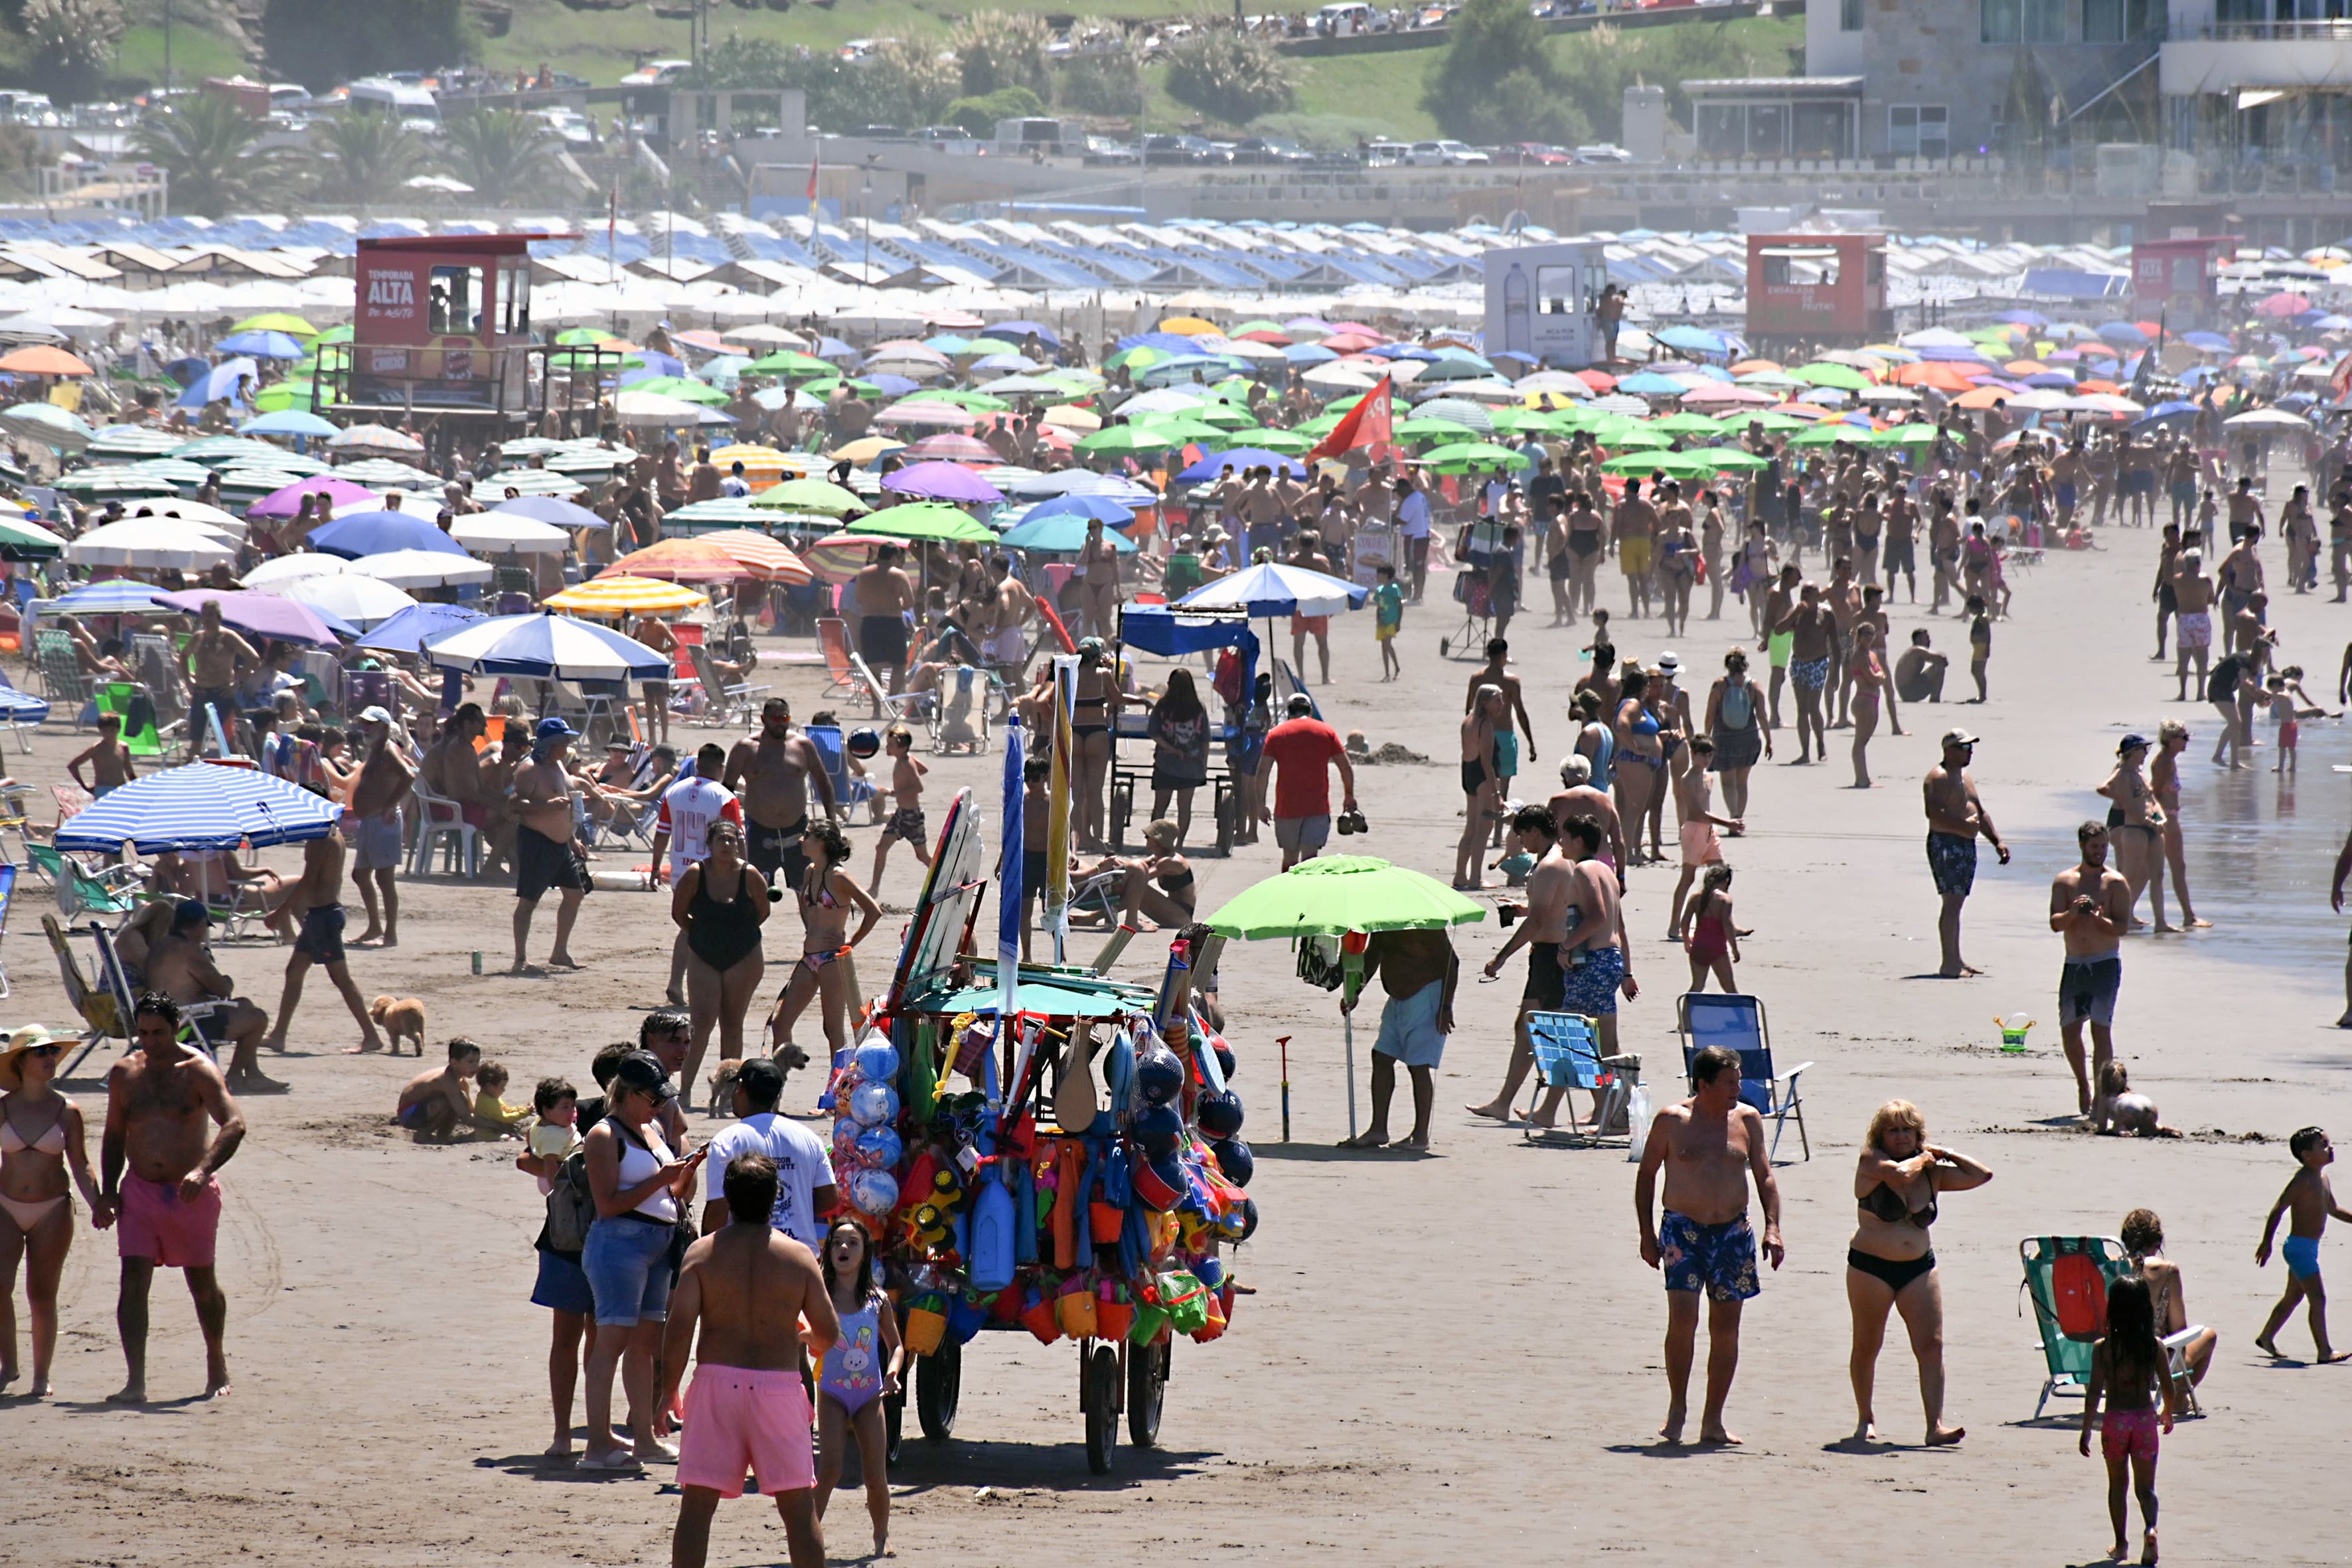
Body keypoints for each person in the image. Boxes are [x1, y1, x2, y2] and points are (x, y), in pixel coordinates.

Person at [661, 1152, 836, 1568]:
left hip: (716, 1386)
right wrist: (806, 1337)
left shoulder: (702, 1255)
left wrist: (668, 1389)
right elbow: (829, 1332)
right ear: (776, 1196)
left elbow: (679, 1329)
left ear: (728, 1197)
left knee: (697, 1509)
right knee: (798, 1511)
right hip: (777, 1387)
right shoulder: (798, 1257)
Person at [1634, 1042, 1784, 1445]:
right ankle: (1678, 1406)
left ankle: (1713, 1419)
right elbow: (1647, 1175)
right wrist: (1647, 1235)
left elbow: (1765, 1175)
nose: (1737, 1089)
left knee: (1726, 1327)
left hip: (1733, 1233)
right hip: (1683, 1232)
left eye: (1739, 1081)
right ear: (1703, 1084)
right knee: (1683, 1320)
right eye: (1729, 1082)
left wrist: (1773, 1227)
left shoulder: (1748, 1120)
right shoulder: (1671, 1121)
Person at [100, 993, 244, 1402]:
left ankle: (216, 1364)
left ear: (175, 1026)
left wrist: (203, 1171)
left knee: (202, 1285)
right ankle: (136, 1381)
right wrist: (108, 1192)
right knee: (132, 1284)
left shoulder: (198, 1070)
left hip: (189, 1193)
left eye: (158, 1033)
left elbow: (234, 1124)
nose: (149, 1041)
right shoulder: (125, 1073)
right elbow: (113, 1136)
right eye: (142, 1032)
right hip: (140, 1190)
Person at [580, 1050, 703, 1470]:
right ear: (629, 1093)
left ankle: (644, 1441)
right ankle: (597, 1444)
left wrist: (684, 1174)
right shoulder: (602, 1135)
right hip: (620, 1243)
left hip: (659, 1242)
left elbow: (668, 1192)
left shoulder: (651, 1128)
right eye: (653, 1098)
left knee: (645, 1344)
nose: (659, 1106)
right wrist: (663, 1179)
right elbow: (607, 1204)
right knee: (610, 1341)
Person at [1844, 1100, 1992, 1447]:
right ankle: (1865, 1419)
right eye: (1892, 1130)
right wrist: (1925, 1157)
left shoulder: (1931, 1172)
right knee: (1868, 1345)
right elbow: (1899, 1175)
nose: (1900, 1137)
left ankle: (1935, 1425)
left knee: (1931, 1345)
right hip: (1870, 1268)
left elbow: (1981, 1176)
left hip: (1918, 1268)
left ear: (1918, 1134)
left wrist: (1946, 1153)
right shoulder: (1872, 1162)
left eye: (1907, 1130)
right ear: (1881, 1135)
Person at [0, 1026, 102, 1396]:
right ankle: (8, 1366)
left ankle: (41, 1377)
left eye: (53, 1051)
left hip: (53, 1208)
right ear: (21, 1062)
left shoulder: (66, 1110)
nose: (49, 1059)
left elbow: (81, 1165)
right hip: (5, 1206)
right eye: (41, 1053)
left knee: (41, 1293)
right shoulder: (3, 1107)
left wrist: (97, 1203)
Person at [1469, 806, 1579, 1129]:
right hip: (1552, 954)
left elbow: (1539, 920)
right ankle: (1507, 1103)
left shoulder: (1548, 866)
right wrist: (1518, 909)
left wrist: (1501, 956)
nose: (1519, 841)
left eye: (1522, 834)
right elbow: (1547, 908)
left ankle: (1532, 1107)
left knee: (1548, 1032)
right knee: (1531, 1029)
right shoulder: (1557, 860)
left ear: (1534, 831)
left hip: (1551, 957)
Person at [813, 1218, 903, 1558]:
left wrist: (893, 1373)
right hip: (832, 1393)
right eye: (837, 1243)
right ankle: (809, 1535)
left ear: (865, 1254)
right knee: (830, 1469)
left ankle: (881, 1537)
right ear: (829, 1251)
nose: (844, 1249)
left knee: (875, 1475)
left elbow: (896, 1346)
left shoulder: (877, 1301)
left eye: (852, 1243)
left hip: (870, 1396)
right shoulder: (818, 1295)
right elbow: (797, 1328)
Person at [262, 820, 388, 1058]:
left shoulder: (321, 837)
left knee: (341, 979)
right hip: (319, 916)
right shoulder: (332, 832)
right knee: (294, 972)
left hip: (325, 917)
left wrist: (281, 912)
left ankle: (372, 1036)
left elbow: (308, 880)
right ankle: (278, 1035)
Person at [673, 819, 771, 1113]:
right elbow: (679, 914)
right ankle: (685, 1090)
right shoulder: (695, 874)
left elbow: (762, 912)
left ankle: (729, 1095)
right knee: (701, 1023)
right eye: (721, 840)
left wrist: (734, 936)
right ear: (710, 844)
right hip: (704, 952)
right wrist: (706, 936)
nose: (727, 845)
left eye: (732, 839)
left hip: (744, 954)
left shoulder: (750, 875)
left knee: (732, 1022)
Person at [769, 820, 882, 1060]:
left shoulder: (838, 876)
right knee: (780, 1024)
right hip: (809, 958)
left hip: (833, 959)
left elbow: (873, 911)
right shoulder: (811, 871)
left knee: (832, 1031)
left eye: (807, 835)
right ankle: (778, 1081)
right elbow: (805, 904)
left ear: (820, 842)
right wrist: (811, 928)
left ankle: (838, 1088)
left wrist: (851, 942)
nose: (802, 839)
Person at [1338, 927, 1457, 1152]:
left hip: (1428, 995)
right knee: (1381, 1057)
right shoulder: (1386, 921)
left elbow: (1453, 963)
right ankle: (1378, 1129)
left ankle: (1421, 1136)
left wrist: (1446, 1005)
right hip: (1396, 998)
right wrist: (1354, 992)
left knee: (1418, 1066)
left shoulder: (1427, 924)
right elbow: (1373, 955)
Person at [2080, 1274, 2173, 1565]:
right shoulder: (2154, 1345)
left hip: (2115, 1421)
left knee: (2117, 1486)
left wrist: (2085, 1430)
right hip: (2144, 1420)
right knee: (2146, 1489)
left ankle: (2121, 1545)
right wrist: (2168, 1411)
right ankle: (2151, 1528)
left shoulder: (2103, 1348)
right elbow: (2168, 1385)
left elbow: (2094, 1391)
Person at [699, 1056, 836, 1249]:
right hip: (799, 1255)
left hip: (745, 1256)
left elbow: (717, 1215)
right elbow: (829, 1199)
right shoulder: (809, 1138)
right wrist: (797, 1204)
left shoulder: (728, 1140)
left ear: (740, 1089)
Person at [143, 900, 276, 1091]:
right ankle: (235, 1076)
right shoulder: (188, 950)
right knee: (258, 1018)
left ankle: (253, 1074)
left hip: (163, 1021)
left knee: (245, 1004)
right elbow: (222, 990)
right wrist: (226, 978)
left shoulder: (161, 945)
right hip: (186, 1028)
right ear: (199, 925)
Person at [2051, 821, 2132, 1121]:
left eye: (2103, 846)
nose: (2099, 852)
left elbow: (2123, 928)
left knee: (2101, 1029)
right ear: (2083, 845)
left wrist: (2101, 920)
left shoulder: (2116, 883)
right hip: (2074, 963)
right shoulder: (2064, 881)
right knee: (2070, 1030)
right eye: (2094, 846)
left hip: (2105, 964)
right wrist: (2073, 912)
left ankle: (2101, 1094)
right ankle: (2083, 1085)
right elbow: (2055, 923)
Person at [2254, 1125, 2352, 1362]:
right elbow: (2278, 1209)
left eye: (2329, 1143)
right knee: (2318, 1299)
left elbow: (2333, 1209)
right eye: (2324, 1146)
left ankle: (2266, 1337)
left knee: (2293, 1298)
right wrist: (2266, 1243)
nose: (2331, 1148)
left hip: (2308, 1249)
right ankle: (2324, 1351)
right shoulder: (2303, 1180)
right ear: (2307, 1156)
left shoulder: (2323, 1178)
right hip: (2299, 1249)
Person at [724, 699, 838, 897]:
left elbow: (824, 783)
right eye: (776, 718)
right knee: (755, 892)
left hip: (797, 830)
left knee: (808, 891)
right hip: (759, 831)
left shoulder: (803, 745)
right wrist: (727, 828)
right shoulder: (745, 748)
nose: (781, 722)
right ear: (764, 719)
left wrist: (832, 824)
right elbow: (725, 792)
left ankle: (813, 929)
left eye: (785, 718)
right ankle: (753, 928)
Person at [1922, 730, 2010, 979]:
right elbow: (1934, 813)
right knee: (1951, 902)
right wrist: (1964, 827)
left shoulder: (1965, 776)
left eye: (1970, 747)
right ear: (1949, 750)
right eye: (1964, 748)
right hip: (1946, 844)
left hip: (1965, 844)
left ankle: (1956, 959)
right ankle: (1948, 964)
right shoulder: (1937, 778)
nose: (1969, 751)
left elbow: (1979, 812)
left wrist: (1997, 841)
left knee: (1957, 902)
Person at [511, 717, 589, 973]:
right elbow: (515, 804)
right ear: (550, 743)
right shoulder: (529, 769)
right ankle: (520, 958)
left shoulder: (559, 767)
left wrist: (572, 839)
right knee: (528, 902)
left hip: (561, 845)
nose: (567, 746)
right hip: (537, 842)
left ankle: (559, 952)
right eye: (563, 741)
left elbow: (564, 805)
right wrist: (546, 806)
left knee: (575, 894)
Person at [2119, 1208, 2217, 1389]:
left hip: (2111, 1361)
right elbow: (2179, 1330)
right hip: (2152, 1365)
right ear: (2157, 1243)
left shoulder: (2108, 1266)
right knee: (2208, 1336)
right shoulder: (2167, 1271)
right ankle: (2179, 1401)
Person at [1260, 692, 1355, 872]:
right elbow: (1345, 767)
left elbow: (1263, 771)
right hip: (1317, 808)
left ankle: (1289, 896)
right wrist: (1349, 796)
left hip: (1287, 808)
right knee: (1311, 860)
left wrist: (1261, 804)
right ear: (1310, 710)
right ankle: (1308, 898)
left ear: (1288, 712)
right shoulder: (1326, 732)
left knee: (1289, 859)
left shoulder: (1277, 734)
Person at [345, 706, 413, 947]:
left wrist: (390, 805)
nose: (366, 727)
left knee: (385, 879)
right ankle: (375, 927)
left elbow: (409, 776)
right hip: (370, 822)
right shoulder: (374, 750)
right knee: (360, 875)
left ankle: (390, 934)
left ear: (384, 727)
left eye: (371, 724)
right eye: (364, 723)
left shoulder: (388, 749)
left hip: (383, 823)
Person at [1666, 737, 1740, 937]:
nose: (1706, 759)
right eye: (1702, 754)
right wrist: (1728, 823)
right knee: (1687, 879)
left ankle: (1727, 924)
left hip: (1709, 832)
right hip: (1694, 831)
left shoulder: (1709, 778)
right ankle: (1675, 926)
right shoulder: (1687, 779)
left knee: (1721, 875)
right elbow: (1697, 812)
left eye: (1710, 754)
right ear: (1693, 754)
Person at [2097, 736, 2164, 928]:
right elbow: (2103, 787)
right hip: (2120, 820)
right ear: (2132, 752)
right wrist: (2125, 800)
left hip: (2138, 820)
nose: (2146, 754)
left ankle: (2127, 911)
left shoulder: (2138, 772)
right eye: (2143, 750)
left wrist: (2158, 819)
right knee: (2127, 870)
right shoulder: (2122, 770)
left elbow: (2149, 802)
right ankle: (2115, 912)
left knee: (2142, 872)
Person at [2147, 720, 2207, 933]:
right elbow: (2153, 794)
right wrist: (2158, 821)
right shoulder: (2163, 762)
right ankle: (2188, 916)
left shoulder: (2170, 761)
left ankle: (2188, 915)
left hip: (2172, 817)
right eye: (2184, 738)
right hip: (2167, 820)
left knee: (2172, 868)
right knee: (2171, 868)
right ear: (2171, 740)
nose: (2186, 742)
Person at [180, 597, 258, 754]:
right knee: (196, 739)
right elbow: (183, 655)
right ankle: (194, 770)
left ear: (219, 617)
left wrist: (238, 682)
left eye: (211, 615)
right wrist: (188, 681)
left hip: (222, 692)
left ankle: (234, 769)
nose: (207, 619)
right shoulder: (198, 638)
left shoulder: (228, 637)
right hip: (201, 692)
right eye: (204, 615)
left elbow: (254, 659)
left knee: (228, 739)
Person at [1144, 669, 1211, 846]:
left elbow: (1154, 732)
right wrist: (1204, 762)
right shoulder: (1198, 707)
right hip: (1191, 765)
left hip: (1166, 764)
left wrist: (1170, 749)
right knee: (1184, 807)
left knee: (1160, 807)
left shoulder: (1163, 706)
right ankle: (1179, 844)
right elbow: (1205, 739)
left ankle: (1154, 842)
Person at [1703, 647, 1770, 822]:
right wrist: (1769, 740)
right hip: (1748, 738)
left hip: (1724, 739)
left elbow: (1710, 714)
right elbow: (1762, 715)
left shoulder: (1720, 685)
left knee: (1728, 782)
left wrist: (1706, 737)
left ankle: (1733, 815)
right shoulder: (1753, 686)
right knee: (1742, 782)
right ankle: (1739, 817)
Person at [868, 725, 933, 888]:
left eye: (891, 745)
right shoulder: (906, 758)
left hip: (912, 817)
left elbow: (919, 788)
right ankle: (874, 888)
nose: (887, 748)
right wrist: (906, 782)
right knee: (881, 848)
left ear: (902, 748)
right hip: (900, 814)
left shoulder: (906, 764)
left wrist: (895, 792)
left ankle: (945, 880)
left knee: (922, 856)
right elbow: (924, 769)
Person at [849, 543, 916, 701]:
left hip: (870, 621)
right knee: (899, 665)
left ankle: (877, 707)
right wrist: (896, 603)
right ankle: (892, 701)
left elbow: (859, 599)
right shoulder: (899, 575)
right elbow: (910, 602)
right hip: (893, 622)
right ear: (894, 557)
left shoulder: (864, 574)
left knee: (873, 668)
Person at [1544, 753, 1627, 874]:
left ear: (1564, 777)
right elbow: (1618, 842)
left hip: (1568, 861)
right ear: (1588, 775)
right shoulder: (1605, 800)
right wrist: (1621, 875)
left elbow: (1547, 838)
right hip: (1602, 862)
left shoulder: (1558, 801)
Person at [1457, 686, 1503, 888]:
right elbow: (1487, 762)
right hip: (1483, 777)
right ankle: (1475, 878)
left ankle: (1460, 876)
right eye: (1497, 700)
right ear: (1485, 702)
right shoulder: (1485, 725)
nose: (1501, 705)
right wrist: (1497, 793)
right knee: (1483, 829)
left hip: (1468, 772)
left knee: (1471, 828)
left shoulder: (1468, 720)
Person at [394, 1037, 482, 1140]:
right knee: (455, 1101)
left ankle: (443, 1136)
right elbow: (465, 1117)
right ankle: (425, 1133)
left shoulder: (462, 1081)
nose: (476, 1066)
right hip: (408, 1114)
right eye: (470, 1062)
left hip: (421, 1108)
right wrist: (496, 1126)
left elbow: (470, 1110)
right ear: (454, 1063)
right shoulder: (446, 1080)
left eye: (477, 1061)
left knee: (459, 1101)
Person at [1679, 863, 1739, 993]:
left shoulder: (1695, 898)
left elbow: (1684, 922)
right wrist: (1734, 949)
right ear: (1725, 881)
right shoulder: (1724, 899)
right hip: (1717, 948)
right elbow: (1727, 926)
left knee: (1697, 987)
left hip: (1698, 947)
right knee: (1730, 988)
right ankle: (1741, 1014)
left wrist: (1686, 941)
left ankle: (1687, 1013)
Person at [68, 712, 137, 797]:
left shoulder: (124, 747)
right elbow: (73, 765)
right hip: (103, 789)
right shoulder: (97, 749)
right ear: (100, 731)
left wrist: (138, 787)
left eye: (112, 730)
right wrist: (84, 787)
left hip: (121, 788)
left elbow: (129, 771)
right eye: (105, 731)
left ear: (118, 729)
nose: (109, 734)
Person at [1372, 562, 1403, 680]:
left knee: (1387, 644)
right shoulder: (1379, 590)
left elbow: (1400, 605)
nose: (1377, 577)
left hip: (1391, 621)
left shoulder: (1394, 589)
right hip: (1382, 622)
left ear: (1386, 575)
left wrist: (1398, 622)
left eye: (1379, 575)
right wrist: (1378, 620)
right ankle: (1388, 672)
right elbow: (1378, 607)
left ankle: (1395, 668)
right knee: (1383, 647)